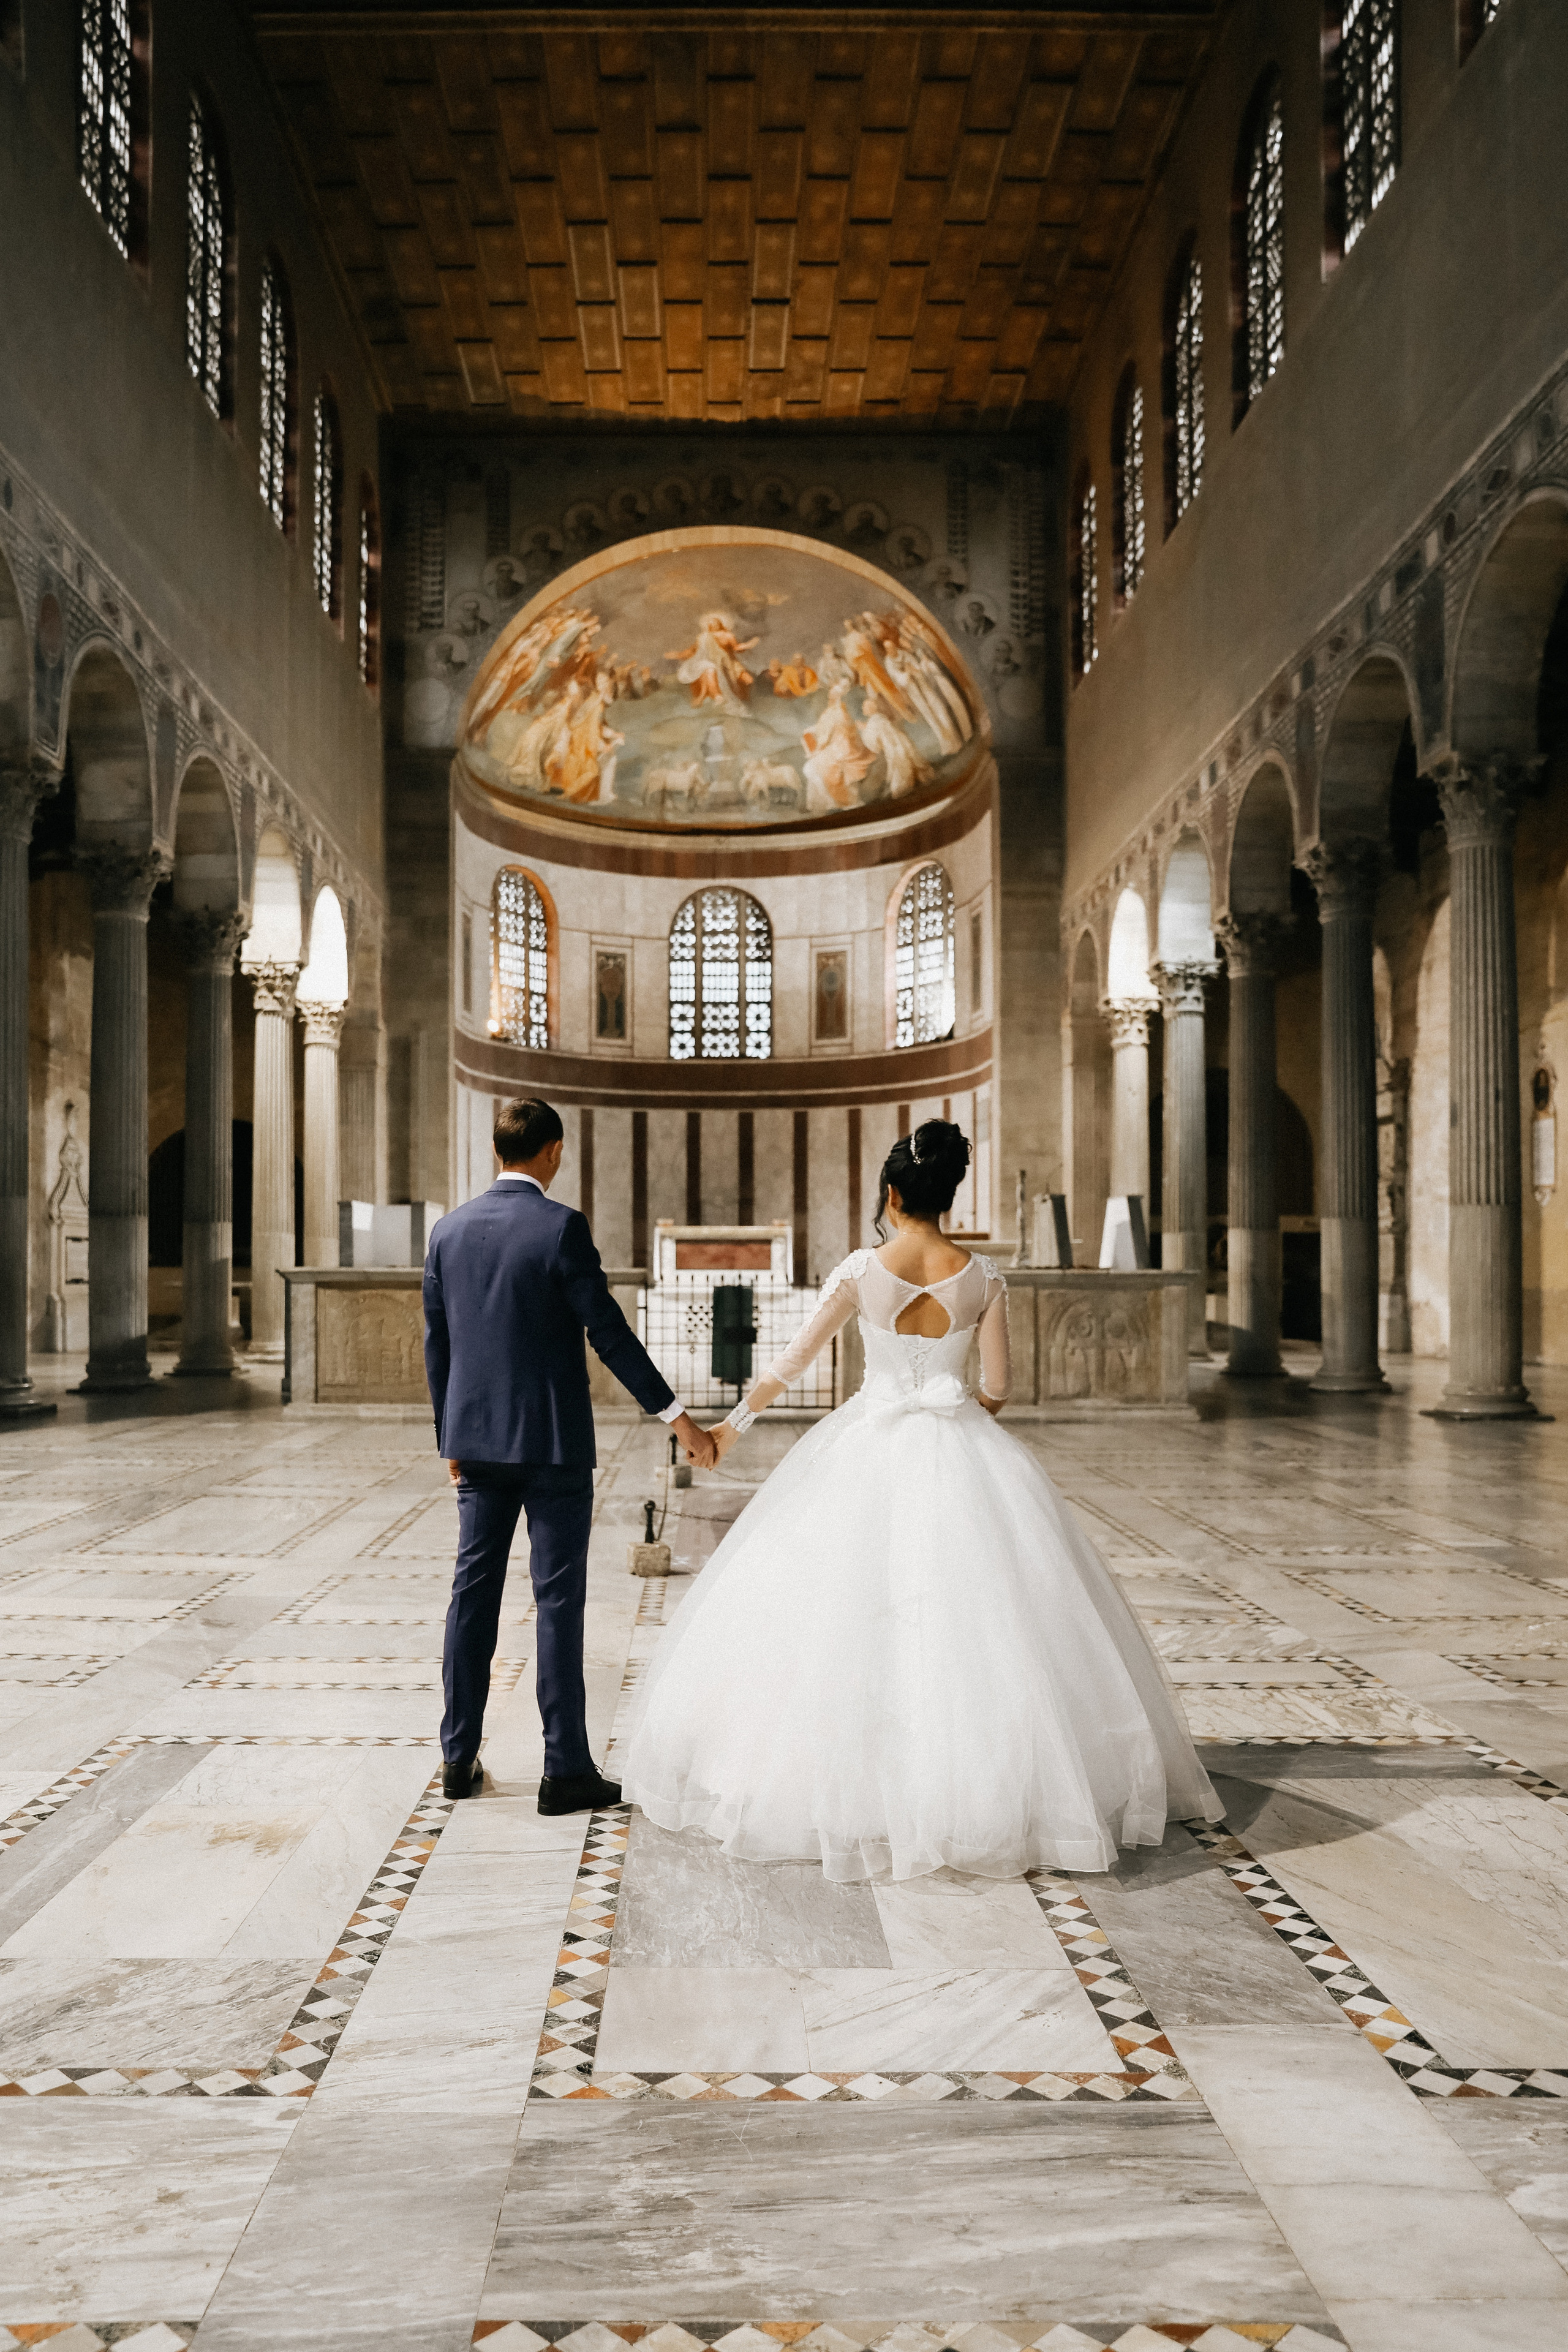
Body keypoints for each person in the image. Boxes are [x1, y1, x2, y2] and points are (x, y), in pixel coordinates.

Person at [620, 1120, 1223, 1882]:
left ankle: (843, 1786)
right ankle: (978, 1789)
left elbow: (790, 1362)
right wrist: (966, 1412)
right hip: (962, 1447)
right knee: (981, 1623)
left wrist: (727, 1431)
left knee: (837, 1616)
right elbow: (999, 1387)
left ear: (894, 1193)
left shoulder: (862, 1270)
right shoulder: (983, 1279)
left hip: (863, 1442)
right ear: (948, 1195)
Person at [423, 1097, 717, 1812]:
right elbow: (608, 1335)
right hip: (552, 1446)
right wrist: (679, 1419)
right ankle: (565, 1771)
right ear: (553, 1151)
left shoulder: (449, 1231)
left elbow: (437, 1341)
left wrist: (449, 1439)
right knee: (557, 1602)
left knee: (472, 1597)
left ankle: (457, 1759)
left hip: (477, 1445)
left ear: (500, 1151)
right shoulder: (560, 1228)